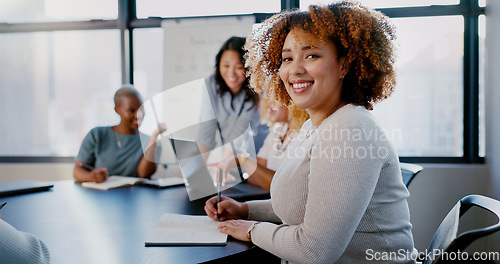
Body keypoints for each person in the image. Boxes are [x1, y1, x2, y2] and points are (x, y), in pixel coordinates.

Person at [205, 2, 416, 264]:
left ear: (344, 65)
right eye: (287, 58)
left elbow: (314, 251)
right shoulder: (317, 125)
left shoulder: (349, 130)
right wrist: (245, 210)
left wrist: (252, 230)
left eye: (311, 55)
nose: (295, 69)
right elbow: (308, 203)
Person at [73, 85, 165, 183]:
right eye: (131, 110)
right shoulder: (97, 134)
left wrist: (154, 138)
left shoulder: (151, 142)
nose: (139, 115)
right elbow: (77, 170)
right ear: (117, 110)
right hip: (101, 194)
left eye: (141, 109)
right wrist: (92, 177)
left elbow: (143, 174)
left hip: (134, 195)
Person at [197, 36, 268, 163]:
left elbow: (242, 132)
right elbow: (205, 132)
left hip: (256, 161)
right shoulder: (211, 84)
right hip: (230, 160)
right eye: (226, 65)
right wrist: (195, 170)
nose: (231, 73)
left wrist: (223, 166)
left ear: (248, 67)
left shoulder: (257, 87)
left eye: (238, 67)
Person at [218, 97, 308, 191]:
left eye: (276, 97)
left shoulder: (306, 135)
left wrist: (243, 159)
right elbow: (253, 177)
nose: (269, 102)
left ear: (293, 102)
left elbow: (283, 187)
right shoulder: (278, 130)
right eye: (269, 97)